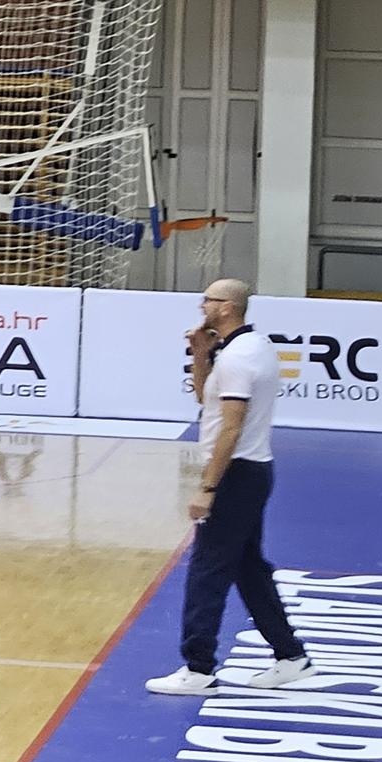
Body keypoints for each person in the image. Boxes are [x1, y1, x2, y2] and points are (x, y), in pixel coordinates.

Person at [145, 278, 313, 697]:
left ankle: (198, 668)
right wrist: (201, 354)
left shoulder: (239, 358)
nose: (201, 305)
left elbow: (231, 428)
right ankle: (291, 655)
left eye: (208, 299)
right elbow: (207, 401)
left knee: (207, 569)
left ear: (226, 307)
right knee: (248, 568)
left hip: (236, 475)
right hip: (252, 473)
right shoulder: (247, 347)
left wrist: (208, 488)